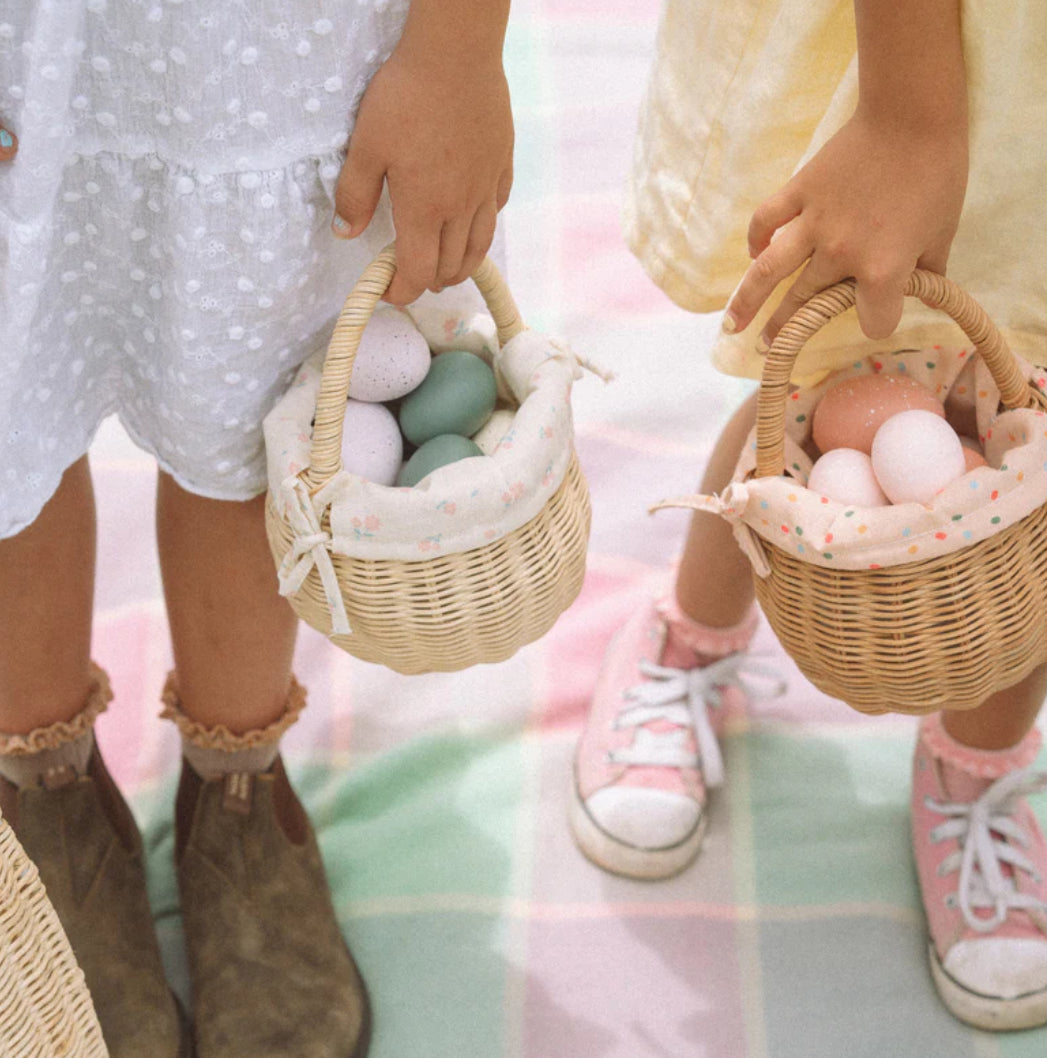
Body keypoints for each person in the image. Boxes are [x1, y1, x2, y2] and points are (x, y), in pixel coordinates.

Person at [0, 2, 513, 1056]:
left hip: (263, 46)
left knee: (254, 415)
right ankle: (46, 793)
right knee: (10, 409)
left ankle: (237, 788)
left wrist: (457, 51)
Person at [570, 0, 1047, 1032]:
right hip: (919, 48)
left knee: (1027, 432)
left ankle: (977, 769)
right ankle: (688, 637)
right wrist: (910, 115)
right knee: (831, 378)